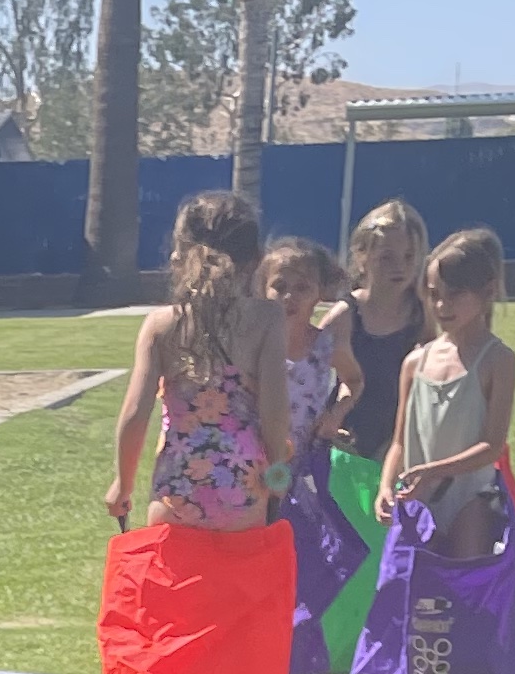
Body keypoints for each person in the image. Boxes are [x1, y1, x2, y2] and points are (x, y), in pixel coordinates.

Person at [104, 192, 292, 534]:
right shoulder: (266, 320)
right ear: (255, 259)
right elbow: (274, 408)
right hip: (243, 490)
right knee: (237, 587)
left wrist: (123, 483)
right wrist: (277, 465)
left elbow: (135, 413)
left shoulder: (161, 325)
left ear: (179, 256)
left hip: (176, 490)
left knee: (176, 585)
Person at [382, 227, 515, 561]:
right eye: (433, 293)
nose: (442, 305)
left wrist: (432, 471)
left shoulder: (497, 360)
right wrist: (386, 486)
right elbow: (400, 441)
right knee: (411, 598)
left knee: (463, 590)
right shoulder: (416, 361)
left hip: (470, 500)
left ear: (486, 293)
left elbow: (492, 446)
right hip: (417, 499)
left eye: (455, 294)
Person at [327, 197, 429, 476]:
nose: (399, 266)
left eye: (409, 257)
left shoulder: (421, 315)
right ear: (362, 257)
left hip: (400, 443)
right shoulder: (346, 315)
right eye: (387, 257)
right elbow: (308, 375)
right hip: (346, 444)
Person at [263, 237, 358, 480]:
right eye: (280, 286)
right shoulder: (254, 344)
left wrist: (336, 413)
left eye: (302, 288)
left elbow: (355, 380)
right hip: (256, 458)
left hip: (302, 462)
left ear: (320, 293)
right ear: (263, 289)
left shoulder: (324, 346)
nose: (289, 296)